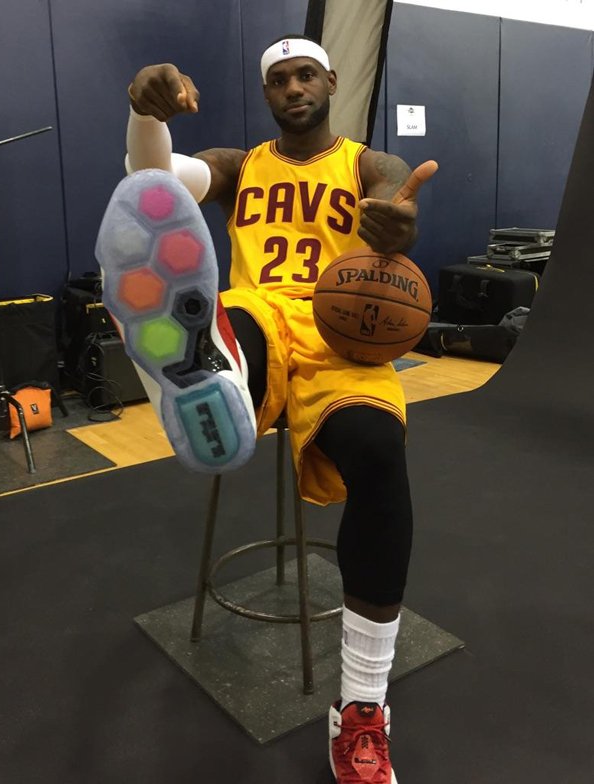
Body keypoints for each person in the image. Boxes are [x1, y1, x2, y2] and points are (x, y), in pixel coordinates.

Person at [96, 34, 438, 784]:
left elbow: (394, 194)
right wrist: (146, 115)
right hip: (261, 317)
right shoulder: (239, 165)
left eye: (305, 75)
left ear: (331, 81)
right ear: (266, 94)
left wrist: (397, 224)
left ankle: (363, 707)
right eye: (279, 80)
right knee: (236, 321)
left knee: (380, 454)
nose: (292, 88)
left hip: (346, 335)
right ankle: (201, 364)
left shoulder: (365, 163)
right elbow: (154, 183)